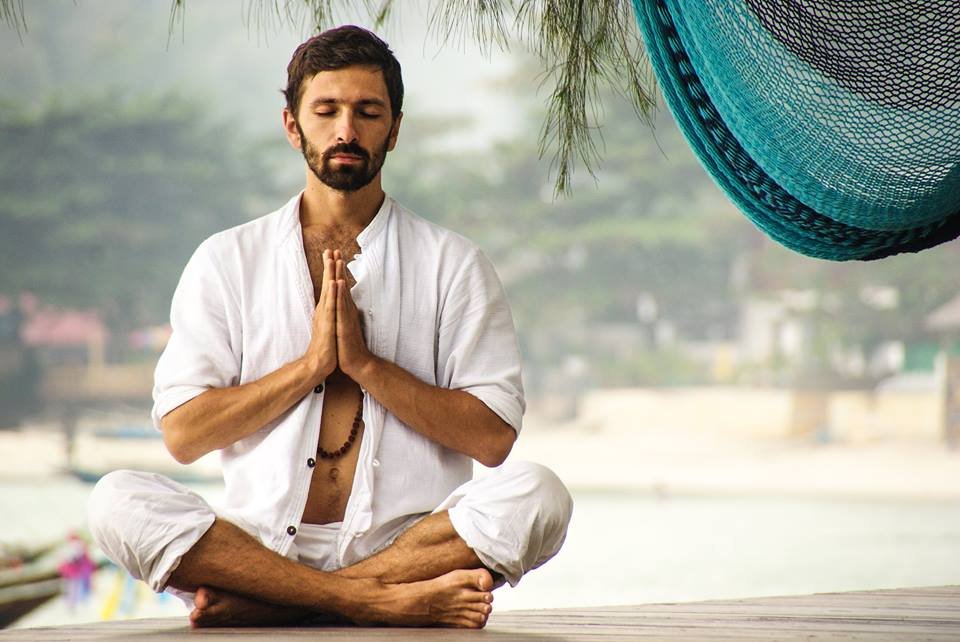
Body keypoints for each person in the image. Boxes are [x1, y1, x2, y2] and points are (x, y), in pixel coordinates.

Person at [86, 25, 572, 629]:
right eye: (327, 110)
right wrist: (309, 368)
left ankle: (279, 602)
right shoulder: (227, 259)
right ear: (292, 124)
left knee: (541, 495)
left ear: (394, 129)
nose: (347, 130)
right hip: (258, 545)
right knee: (116, 500)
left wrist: (368, 367)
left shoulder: (454, 263)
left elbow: (494, 440)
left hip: (411, 544)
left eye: (368, 112)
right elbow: (184, 435)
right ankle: (376, 602)